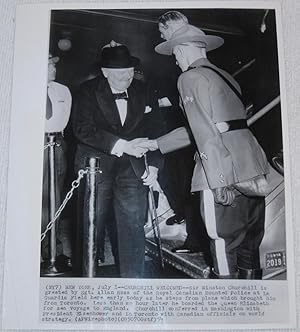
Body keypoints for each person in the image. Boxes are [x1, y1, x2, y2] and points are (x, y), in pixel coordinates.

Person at [137, 21, 269, 279]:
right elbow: (216, 127)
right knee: (249, 245)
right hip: (252, 168)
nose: (175, 61)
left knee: (222, 244)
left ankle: (225, 312)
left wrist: (219, 181)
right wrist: (156, 144)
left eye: (175, 54)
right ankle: (250, 308)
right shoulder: (225, 76)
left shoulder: (190, 77)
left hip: (221, 170)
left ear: (184, 50)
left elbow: (207, 134)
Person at [72, 41, 163, 278]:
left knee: (133, 226)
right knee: (92, 226)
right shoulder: (87, 90)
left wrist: (154, 164)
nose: (127, 78)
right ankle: (86, 279)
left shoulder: (143, 90)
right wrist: (123, 146)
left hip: (132, 169)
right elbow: (82, 129)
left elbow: (156, 130)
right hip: (95, 167)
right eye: (121, 74)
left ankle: (133, 282)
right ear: (105, 72)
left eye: (130, 73)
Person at [41, 54, 72, 267]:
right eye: (49, 64)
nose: (53, 68)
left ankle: (52, 249)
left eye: (53, 64)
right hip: (30, 142)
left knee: (55, 197)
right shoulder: (23, 85)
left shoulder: (62, 90)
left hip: (57, 143)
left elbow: (64, 120)